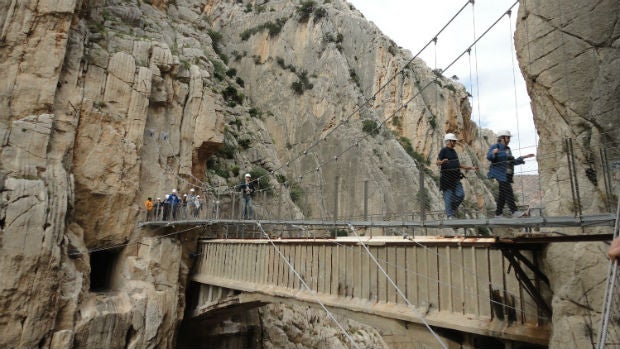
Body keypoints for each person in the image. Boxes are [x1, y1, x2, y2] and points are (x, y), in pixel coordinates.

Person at [487, 130, 535, 217]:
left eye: (509, 138)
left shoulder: (508, 149)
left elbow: (512, 162)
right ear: (502, 138)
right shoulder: (496, 146)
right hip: (500, 174)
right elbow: (489, 157)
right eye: (507, 137)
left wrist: (523, 157)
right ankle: (514, 211)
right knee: (508, 192)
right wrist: (493, 153)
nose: (509, 139)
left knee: (503, 195)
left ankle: (498, 214)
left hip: (507, 175)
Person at [436, 133, 477, 219]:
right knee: (448, 196)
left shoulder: (454, 152)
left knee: (460, 195)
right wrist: (443, 161)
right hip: (446, 179)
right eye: (454, 141)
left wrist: (470, 167)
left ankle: (451, 209)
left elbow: (458, 165)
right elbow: (437, 162)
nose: (455, 142)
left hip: (456, 177)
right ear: (449, 141)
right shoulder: (444, 150)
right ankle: (450, 216)